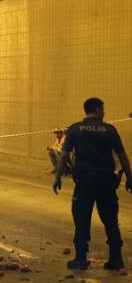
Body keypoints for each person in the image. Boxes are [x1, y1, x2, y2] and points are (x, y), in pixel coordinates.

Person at [52, 97, 132, 270]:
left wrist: (57, 176)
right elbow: (123, 156)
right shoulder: (110, 130)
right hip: (106, 180)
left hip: (85, 181)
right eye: (103, 109)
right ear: (96, 109)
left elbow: (63, 155)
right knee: (110, 219)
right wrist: (130, 178)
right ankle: (116, 258)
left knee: (82, 218)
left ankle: (80, 259)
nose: (104, 112)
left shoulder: (75, 130)